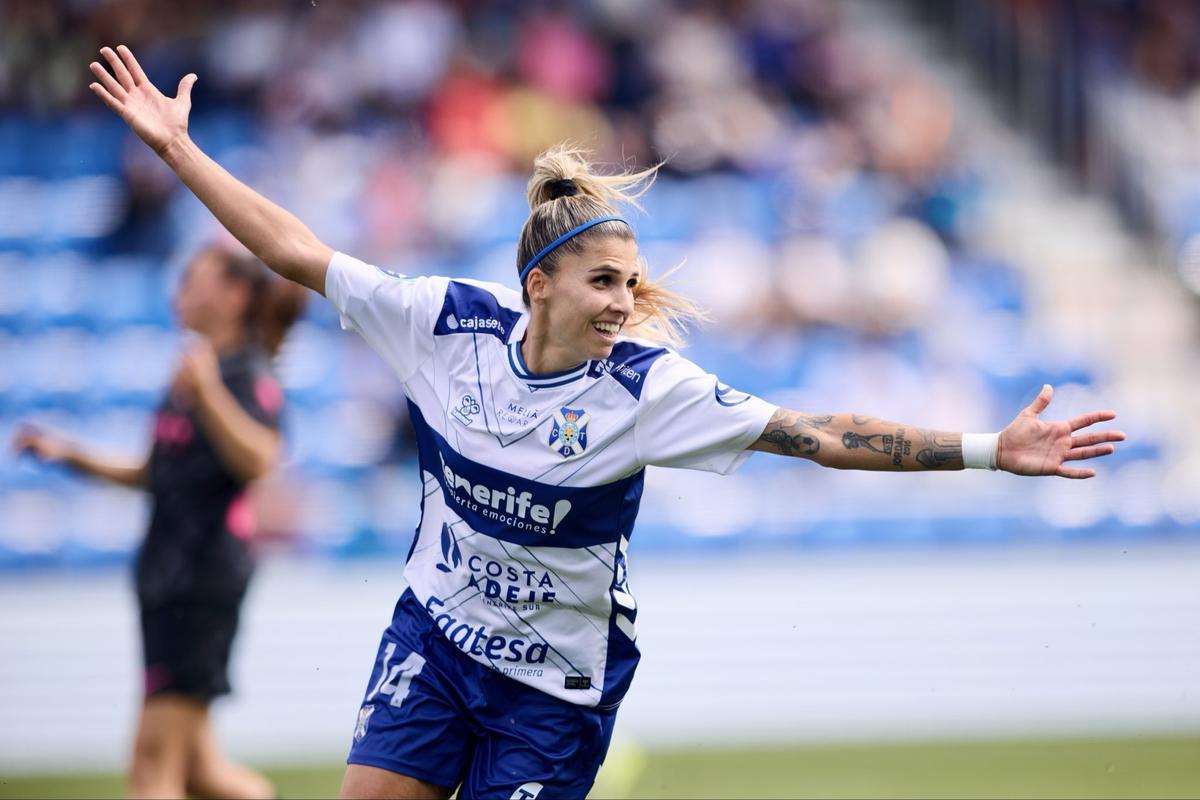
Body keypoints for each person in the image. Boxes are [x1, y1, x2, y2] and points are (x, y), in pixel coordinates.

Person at [85, 45, 1125, 800]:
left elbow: (819, 431)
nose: (628, 300)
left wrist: (994, 450)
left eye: (632, 282)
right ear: (539, 283)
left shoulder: (647, 389)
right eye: (605, 281)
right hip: (437, 640)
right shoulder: (443, 323)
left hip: (555, 690)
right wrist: (179, 151)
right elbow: (294, 248)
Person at [15, 243, 305, 799]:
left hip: (199, 581)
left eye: (192, 279)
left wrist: (209, 393)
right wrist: (70, 454)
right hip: (167, 576)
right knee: (198, 772)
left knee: (152, 766)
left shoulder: (242, 374)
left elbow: (260, 460)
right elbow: (158, 472)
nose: (179, 293)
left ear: (233, 295)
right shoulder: (197, 373)